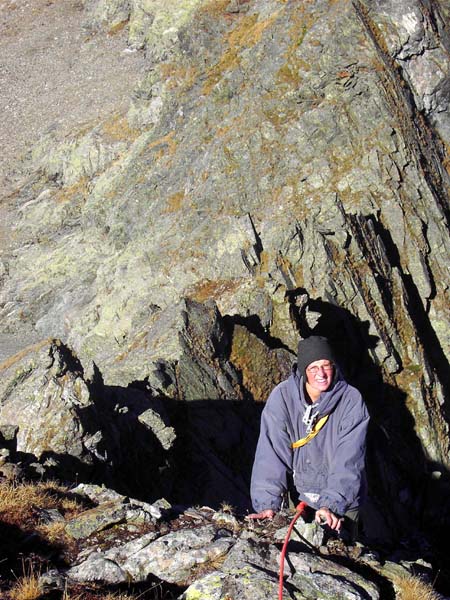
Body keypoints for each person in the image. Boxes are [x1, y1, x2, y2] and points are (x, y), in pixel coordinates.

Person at [248, 335, 369, 541]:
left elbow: (349, 459)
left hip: (342, 502)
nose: (321, 373)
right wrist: (268, 504)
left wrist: (330, 505)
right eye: (313, 367)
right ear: (304, 370)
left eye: (326, 365)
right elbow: (271, 453)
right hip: (301, 497)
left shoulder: (351, 400)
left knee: (341, 554)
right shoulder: (283, 397)